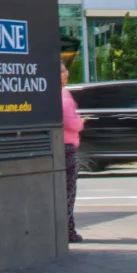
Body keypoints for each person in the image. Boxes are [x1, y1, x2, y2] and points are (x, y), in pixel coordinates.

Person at [60, 61, 84, 244]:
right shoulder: (64, 95)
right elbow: (72, 123)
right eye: (61, 71)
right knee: (69, 191)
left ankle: (66, 229)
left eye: (65, 69)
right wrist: (81, 122)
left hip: (58, 146)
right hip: (68, 146)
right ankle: (68, 231)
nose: (66, 73)